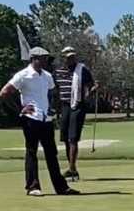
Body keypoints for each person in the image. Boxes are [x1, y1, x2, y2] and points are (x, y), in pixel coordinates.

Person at [0, 47, 79, 196]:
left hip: (46, 119)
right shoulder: (23, 75)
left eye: (46, 59)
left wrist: (52, 108)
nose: (46, 61)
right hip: (31, 119)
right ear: (34, 58)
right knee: (31, 152)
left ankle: (61, 187)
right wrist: (19, 110)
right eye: (43, 58)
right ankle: (33, 186)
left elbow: (52, 93)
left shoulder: (47, 76)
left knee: (51, 154)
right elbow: (4, 93)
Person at [54, 46, 96, 181]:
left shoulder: (82, 70)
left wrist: (91, 91)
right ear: (63, 58)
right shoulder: (58, 72)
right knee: (65, 138)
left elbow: (92, 85)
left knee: (73, 138)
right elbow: (55, 90)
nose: (71, 59)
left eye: (72, 56)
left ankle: (72, 168)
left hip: (78, 105)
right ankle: (73, 169)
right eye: (68, 57)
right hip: (64, 106)